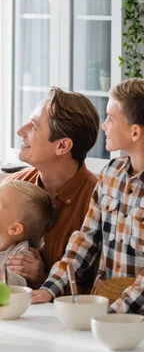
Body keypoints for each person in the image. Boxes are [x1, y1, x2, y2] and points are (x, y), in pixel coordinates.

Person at [0, 87, 100, 289]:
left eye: (33, 126)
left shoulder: (98, 202)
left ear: (62, 146)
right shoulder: (11, 185)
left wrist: (42, 279)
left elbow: (100, 289)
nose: (20, 131)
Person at [32, 79, 144, 314]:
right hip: (103, 309)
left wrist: (116, 314)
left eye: (111, 119)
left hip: (129, 318)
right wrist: (50, 289)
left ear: (135, 132)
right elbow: (86, 239)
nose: (104, 126)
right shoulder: (111, 175)